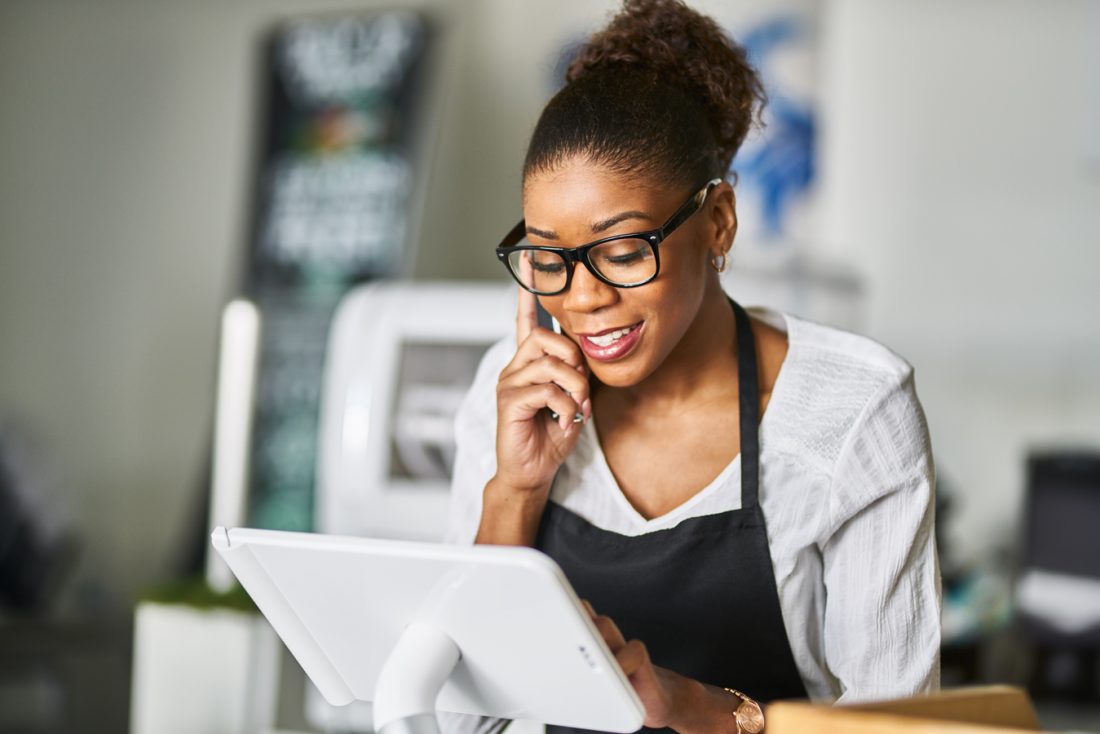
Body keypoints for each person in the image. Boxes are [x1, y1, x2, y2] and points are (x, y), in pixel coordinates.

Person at [444, 1, 940, 732]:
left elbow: (902, 730)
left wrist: (695, 708)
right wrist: (514, 488)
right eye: (549, 259)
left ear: (719, 222)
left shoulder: (850, 410)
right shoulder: (513, 390)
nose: (583, 298)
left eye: (621, 251)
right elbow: (461, 721)